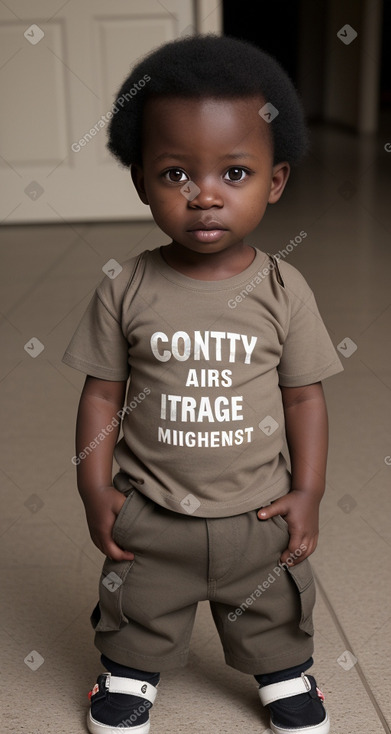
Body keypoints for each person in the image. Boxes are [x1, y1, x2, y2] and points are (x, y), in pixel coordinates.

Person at [62, 33, 343, 734]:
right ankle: (129, 673)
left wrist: (306, 492)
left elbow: (304, 395)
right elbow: (101, 394)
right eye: (176, 174)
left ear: (275, 181)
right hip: (153, 515)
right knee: (141, 602)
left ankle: (281, 674)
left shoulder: (284, 288)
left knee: (272, 600)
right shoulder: (126, 287)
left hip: (256, 515)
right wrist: (95, 489)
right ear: (140, 182)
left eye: (235, 174)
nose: (205, 196)